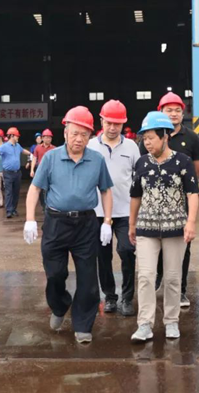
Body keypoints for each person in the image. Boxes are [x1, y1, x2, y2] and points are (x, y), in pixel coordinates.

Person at [23, 106, 114, 344]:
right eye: (74, 133)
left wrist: (107, 221)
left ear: (90, 135)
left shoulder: (96, 160)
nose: (79, 139)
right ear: (65, 132)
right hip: (56, 223)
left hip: (86, 224)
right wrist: (30, 219)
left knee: (88, 280)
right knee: (55, 274)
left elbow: (106, 191)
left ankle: (83, 325)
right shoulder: (51, 158)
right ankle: (60, 305)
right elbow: (35, 188)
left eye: (84, 134)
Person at [130, 112, 199, 342]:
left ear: (165, 136)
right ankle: (144, 324)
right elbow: (135, 195)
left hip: (175, 229)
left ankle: (171, 321)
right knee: (146, 276)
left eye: (151, 138)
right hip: (146, 228)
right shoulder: (141, 163)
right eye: (144, 139)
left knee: (172, 277)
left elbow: (192, 193)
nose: (147, 143)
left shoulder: (183, 162)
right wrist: (131, 224)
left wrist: (191, 223)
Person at [140, 92, 199, 307]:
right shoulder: (150, 137)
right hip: (153, 203)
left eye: (178, 110)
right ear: (161, 111)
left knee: (181, 247)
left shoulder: (192, 137)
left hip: (180, 202)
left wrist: (183, 185)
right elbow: (142, 167)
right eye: (169, 110)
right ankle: (159, 277)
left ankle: (181, 290)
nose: (174, 114)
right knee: (155, 242)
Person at [87, 100, 140, 317]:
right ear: (101, 121)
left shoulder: (132, 147)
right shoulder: (91, 146)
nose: (112, 127)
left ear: (123, 124)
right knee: (102, 256)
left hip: (125, 211)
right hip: (98, 213)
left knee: (127, 251)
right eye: (108, 122)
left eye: (117, 124)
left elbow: (139, 176)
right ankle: (109, 296)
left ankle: (127, 297)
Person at [0, 127, 32, 218]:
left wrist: (30, 155)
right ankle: (9, 211)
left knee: (16, 192)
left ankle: (14, 209)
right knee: (9, 192)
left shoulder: (18, 146)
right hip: (8, 173)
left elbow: (25, 152)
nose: (18, 137)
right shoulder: (4, 147)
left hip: (17, 172)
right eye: (17, 136)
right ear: (12, 136)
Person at [30, 128, 56, 209]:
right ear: (43, 138)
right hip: (40, 170)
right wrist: (32, 170)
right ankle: (43, 205)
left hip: (51, 171)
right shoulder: (37, 148)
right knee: (40, 189)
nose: (48, 139)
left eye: (50, 137)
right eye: (46, 137)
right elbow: (34, 158)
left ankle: (49, 205)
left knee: (50, 188)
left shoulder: (54, 149)